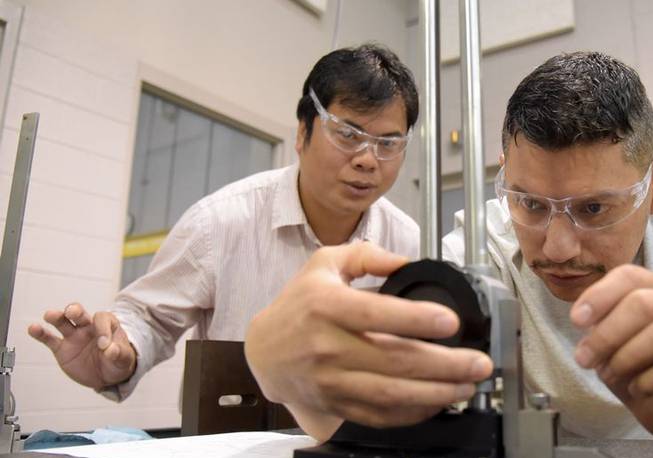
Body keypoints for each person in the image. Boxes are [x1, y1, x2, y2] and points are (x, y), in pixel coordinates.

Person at [244, 51, 653, 444]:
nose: (558, 245)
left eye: (595, 208)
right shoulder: (483, 246)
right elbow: (386, 423)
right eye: (529, 203)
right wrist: (280, 368)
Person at [27, 43, 422, 402]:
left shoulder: (404, 239)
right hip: (230, 454)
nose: (368, 159)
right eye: (348, 135)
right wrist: (118, 354)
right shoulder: (221, 222)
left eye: (388, 144)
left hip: (358, 451)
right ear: (302, 132)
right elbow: (149, 317)